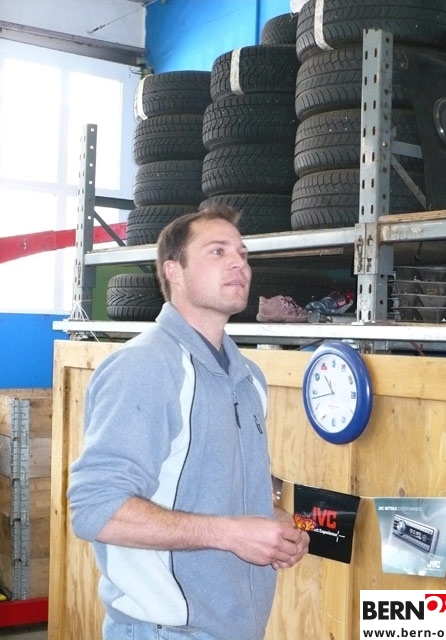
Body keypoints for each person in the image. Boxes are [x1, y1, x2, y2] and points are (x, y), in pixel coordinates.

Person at [67, 205, 310, 640]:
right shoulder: (145, 366)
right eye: (217, 251)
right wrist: (231, 534)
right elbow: (95, 509)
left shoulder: (249, 379)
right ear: (174, 272)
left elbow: (210, 494)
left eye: (242, 254)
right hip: (163, 631)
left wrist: (272, 525)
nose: (238, 263)